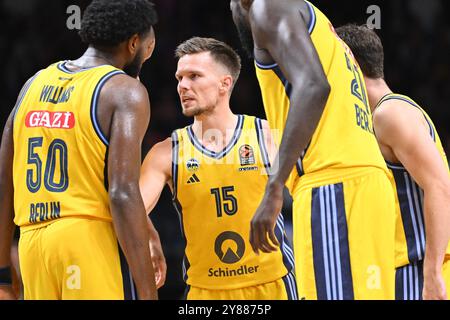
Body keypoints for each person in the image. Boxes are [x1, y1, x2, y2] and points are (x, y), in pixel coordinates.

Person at [230, 0, 397, 299]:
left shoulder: (267, 7)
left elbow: (313, 86)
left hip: (333, 184)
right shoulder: (316, 20)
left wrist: (274, 185)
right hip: (366, 181)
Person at [0, 0, 159, 300]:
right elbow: (122, 192)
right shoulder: (124, 90)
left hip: (33, 246)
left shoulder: (33, 84)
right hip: (86, 242)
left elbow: (4, 182)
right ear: (134, 43)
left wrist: (2, 273)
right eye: (149, 46)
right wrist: (148, 290)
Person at [140, 37, 297, 300]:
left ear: (225, 84)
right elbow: (129, 209)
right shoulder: (166, 153)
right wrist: (150, 236)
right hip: (205, 291)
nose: (183, 86)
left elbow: (311, 194)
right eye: (180, 78)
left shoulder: (267, 136)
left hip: (273, 284)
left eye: (194, 76)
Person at [336, 24, 450, 300]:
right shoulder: (376, 118)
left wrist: (432, 272)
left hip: (420, 270)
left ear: (348, 63)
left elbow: (440, 186)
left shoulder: (389, 114)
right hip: (399, 270)